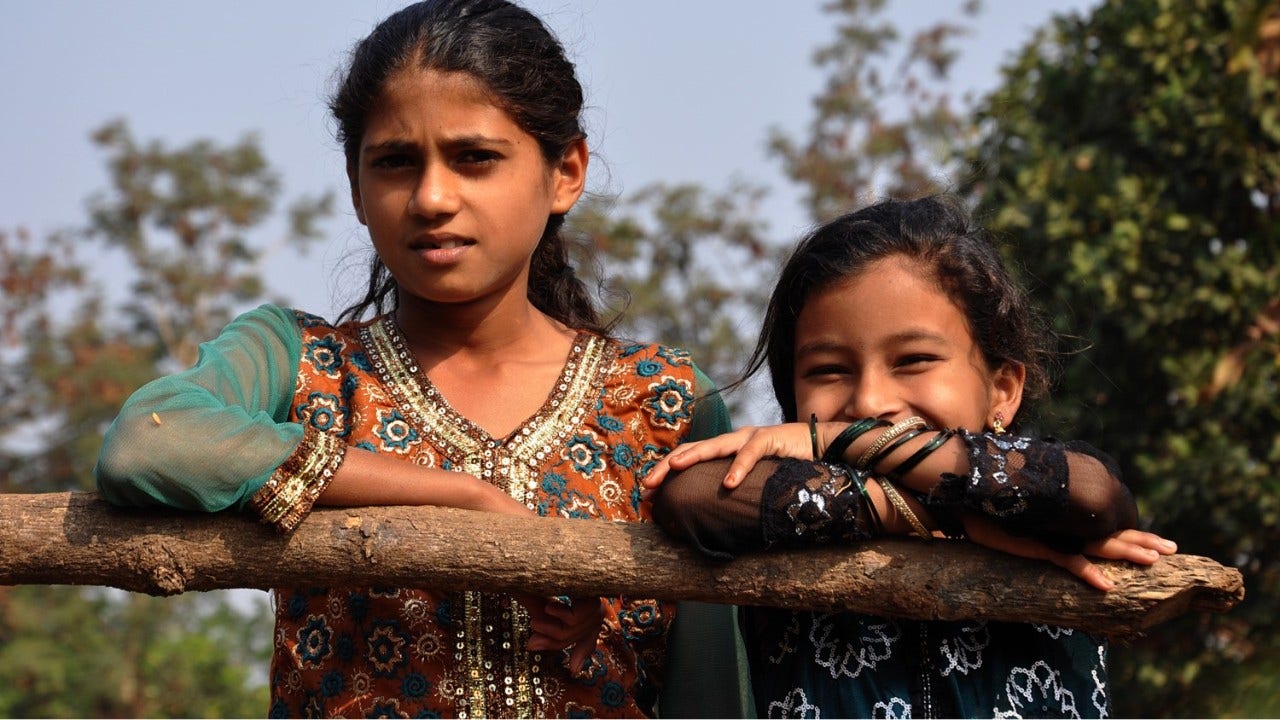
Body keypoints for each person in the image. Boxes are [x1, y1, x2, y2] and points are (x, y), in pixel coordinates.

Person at [94, 1, 745, 717]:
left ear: (566, 171)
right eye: (397, 163)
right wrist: (462, 497)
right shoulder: (298, 365)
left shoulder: (664, 402)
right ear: (356, 187)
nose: (433, 198)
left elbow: (707, 689)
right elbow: (148, 442)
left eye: (475, 159)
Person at [642, 195, 1178, 718]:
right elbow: (688, 494)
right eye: (829, 370)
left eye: (914, 359)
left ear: (1003, 389)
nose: (870, 401)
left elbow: (1093, 494)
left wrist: (839, 439)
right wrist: (951, 515)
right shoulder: (786, 520)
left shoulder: (1047, 496)